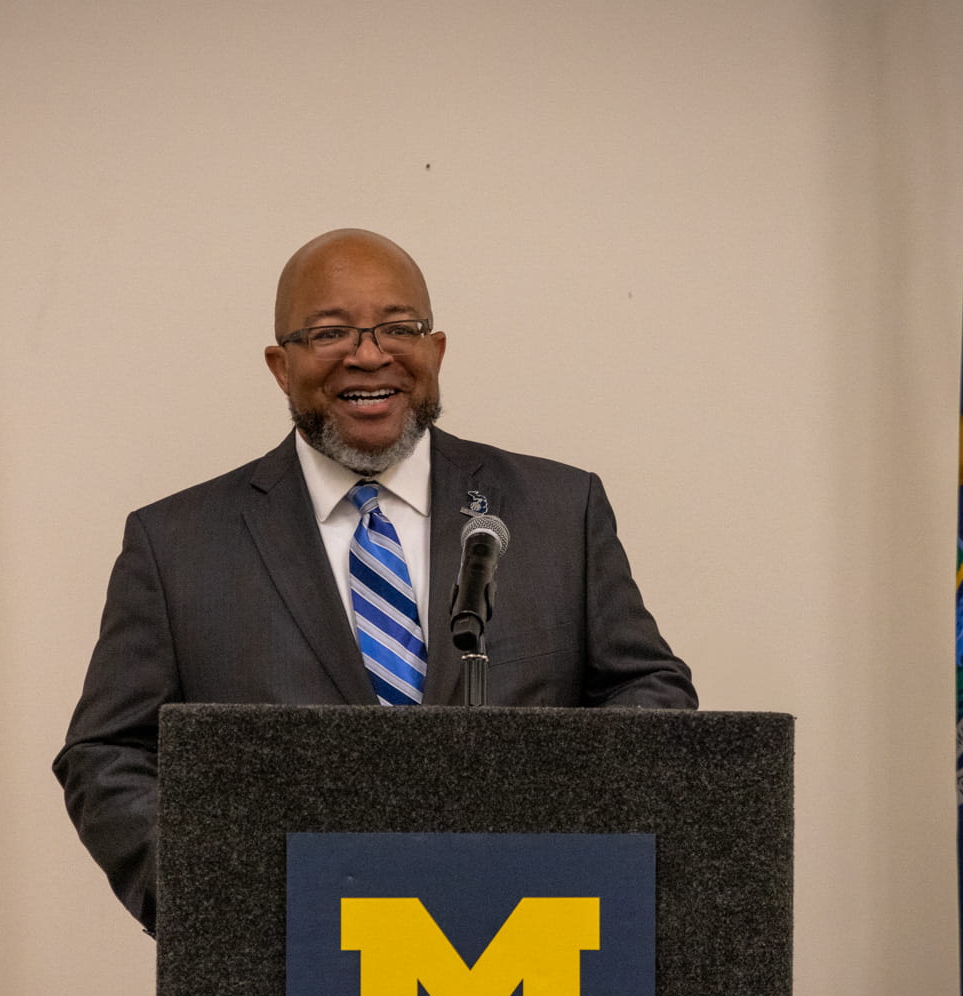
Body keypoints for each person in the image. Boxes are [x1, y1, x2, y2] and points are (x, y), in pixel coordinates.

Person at [54, 229, 695, 931]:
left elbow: (650, 691)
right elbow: (108, 753)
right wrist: (211, 900)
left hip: (529, 953)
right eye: (330, 332)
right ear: (279, 364)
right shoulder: (175, 545)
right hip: (286, 969)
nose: (369, 354)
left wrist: (571, 840)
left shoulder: (557, 511)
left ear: (437, 350)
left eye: (399, 327)